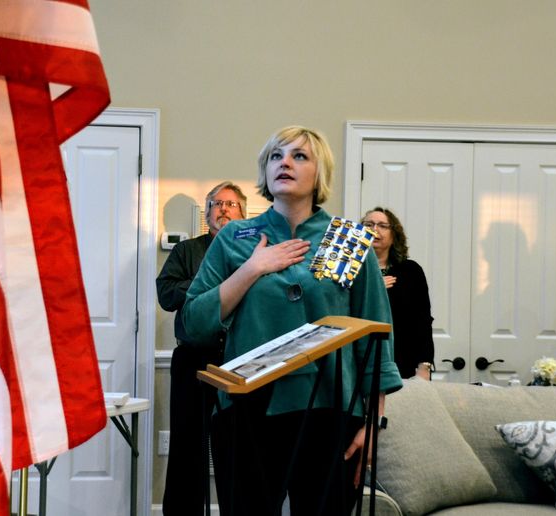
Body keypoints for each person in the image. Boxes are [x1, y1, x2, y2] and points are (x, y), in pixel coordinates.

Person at [182, 126, 403, 516]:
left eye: (300, 156)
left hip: (331, 412)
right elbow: (194, 324)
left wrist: (374, 425)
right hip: (248, 410)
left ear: (320, 174)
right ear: (265, 171)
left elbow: (376, 338)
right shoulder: (235, 236)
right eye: (276, 156)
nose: (285, 162)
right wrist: (252, 269)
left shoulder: (349, 238)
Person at [156, 181, 248, 516]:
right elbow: (166, 295)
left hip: (238, 359)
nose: (224, 209)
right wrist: (211, 287)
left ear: (244, 214)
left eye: (231, 204)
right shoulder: (186, 252)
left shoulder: (254, 252)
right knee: (187, 443)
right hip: (193, 358)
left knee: (236, 444)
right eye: (217, 203)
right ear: (207, 213)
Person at [361, 207, 435, 380]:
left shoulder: (411, 271)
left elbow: (422, 320)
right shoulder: (350, 271)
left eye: (383, 226)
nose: (374, 230)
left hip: (403, 361)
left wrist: (424, 366)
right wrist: (374, 289)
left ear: (394, 234)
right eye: (369, 224)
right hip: (360, 361)